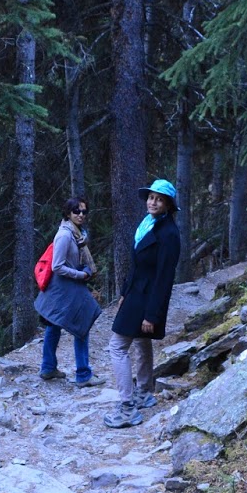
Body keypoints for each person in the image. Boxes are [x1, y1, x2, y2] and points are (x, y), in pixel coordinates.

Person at [105, 178, 181, 427]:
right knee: (140, 340)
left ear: (168, 205)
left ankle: (127, 407)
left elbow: (164, 278)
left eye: (159, 199)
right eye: (151, 197)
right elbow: (136, 266)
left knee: (117, 347)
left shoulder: (169, 234)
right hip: (135, 294)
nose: (153, 202)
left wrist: (152, 314)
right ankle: (144, 392)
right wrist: (124, 293)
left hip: (146, 299)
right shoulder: (147, 225)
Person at [34, 198, 104, 387]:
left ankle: (48, 368)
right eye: (76, 211)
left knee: (54, 324)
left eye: (84, 211)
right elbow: (57, 266)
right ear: (68, 213)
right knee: (82, 324)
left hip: (62, 287)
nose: (81, 215)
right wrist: (81, 274)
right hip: (64, 287)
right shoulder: (65, 235)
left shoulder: (77, 234)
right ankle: (83, 375)